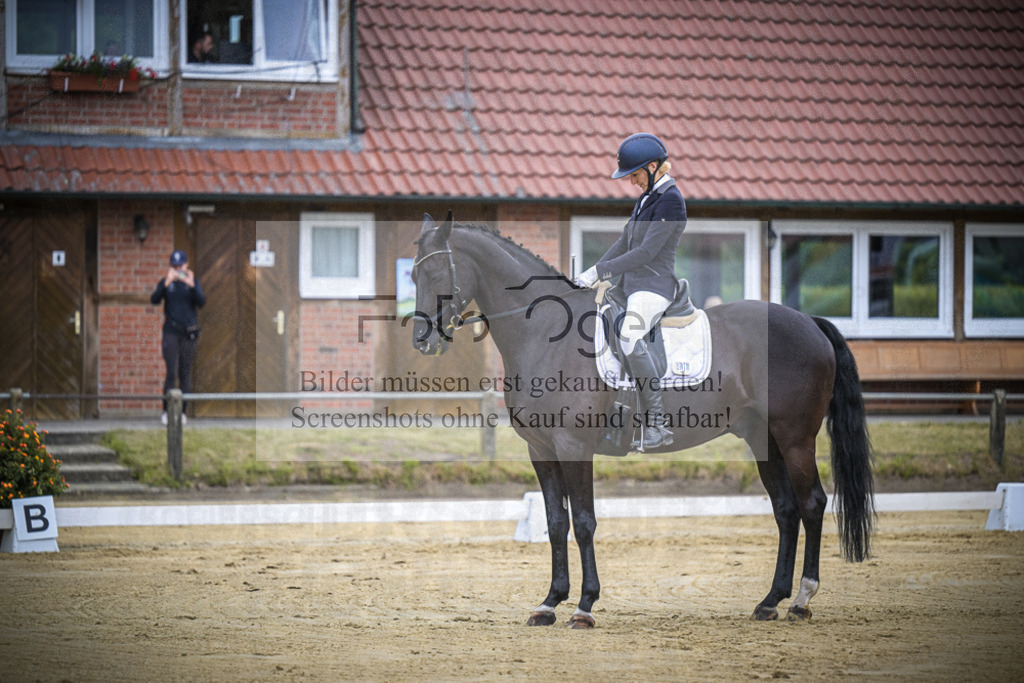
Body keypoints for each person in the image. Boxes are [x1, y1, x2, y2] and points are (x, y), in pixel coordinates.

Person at [576, 133, 686, 450]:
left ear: (653, 167)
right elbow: (624, 242)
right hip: (631, 286)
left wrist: (601, 272)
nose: (632, 182)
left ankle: (658, 424)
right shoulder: (647, 198)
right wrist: (589, 273)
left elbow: (645, 254)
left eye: (635, 174)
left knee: (628, 335)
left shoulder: (671, 200)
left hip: (654, 286)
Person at [151, 250, 206, 425]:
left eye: (180, 265)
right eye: (174, 266)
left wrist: (191, 284)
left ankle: (182, 413)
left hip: (188, 332)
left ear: (186, 265)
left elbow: (201, 302)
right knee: (171, 372)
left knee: (184, 372)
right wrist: (166, 283)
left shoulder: (193, 283)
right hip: (171, 331)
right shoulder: (166, 283)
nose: (178, 269)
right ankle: (166, 412)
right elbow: (154, 299)